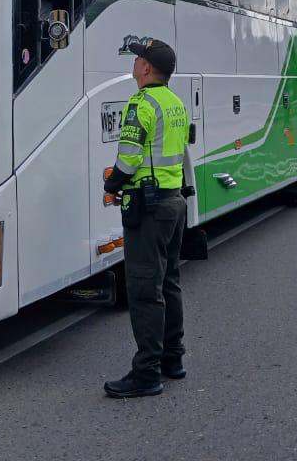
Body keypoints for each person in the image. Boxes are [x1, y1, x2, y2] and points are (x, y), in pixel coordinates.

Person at [102, 38, 190, 398]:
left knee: (143, 289)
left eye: (139, 58)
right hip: (174, 202)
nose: (135, 62)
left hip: (148, 207)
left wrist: (111, 186)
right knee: (169, 283)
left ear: (147, 68)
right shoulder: (175, 102)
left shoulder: (141, 104)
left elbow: (129, 158)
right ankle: (173, 359)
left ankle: (147, 373)